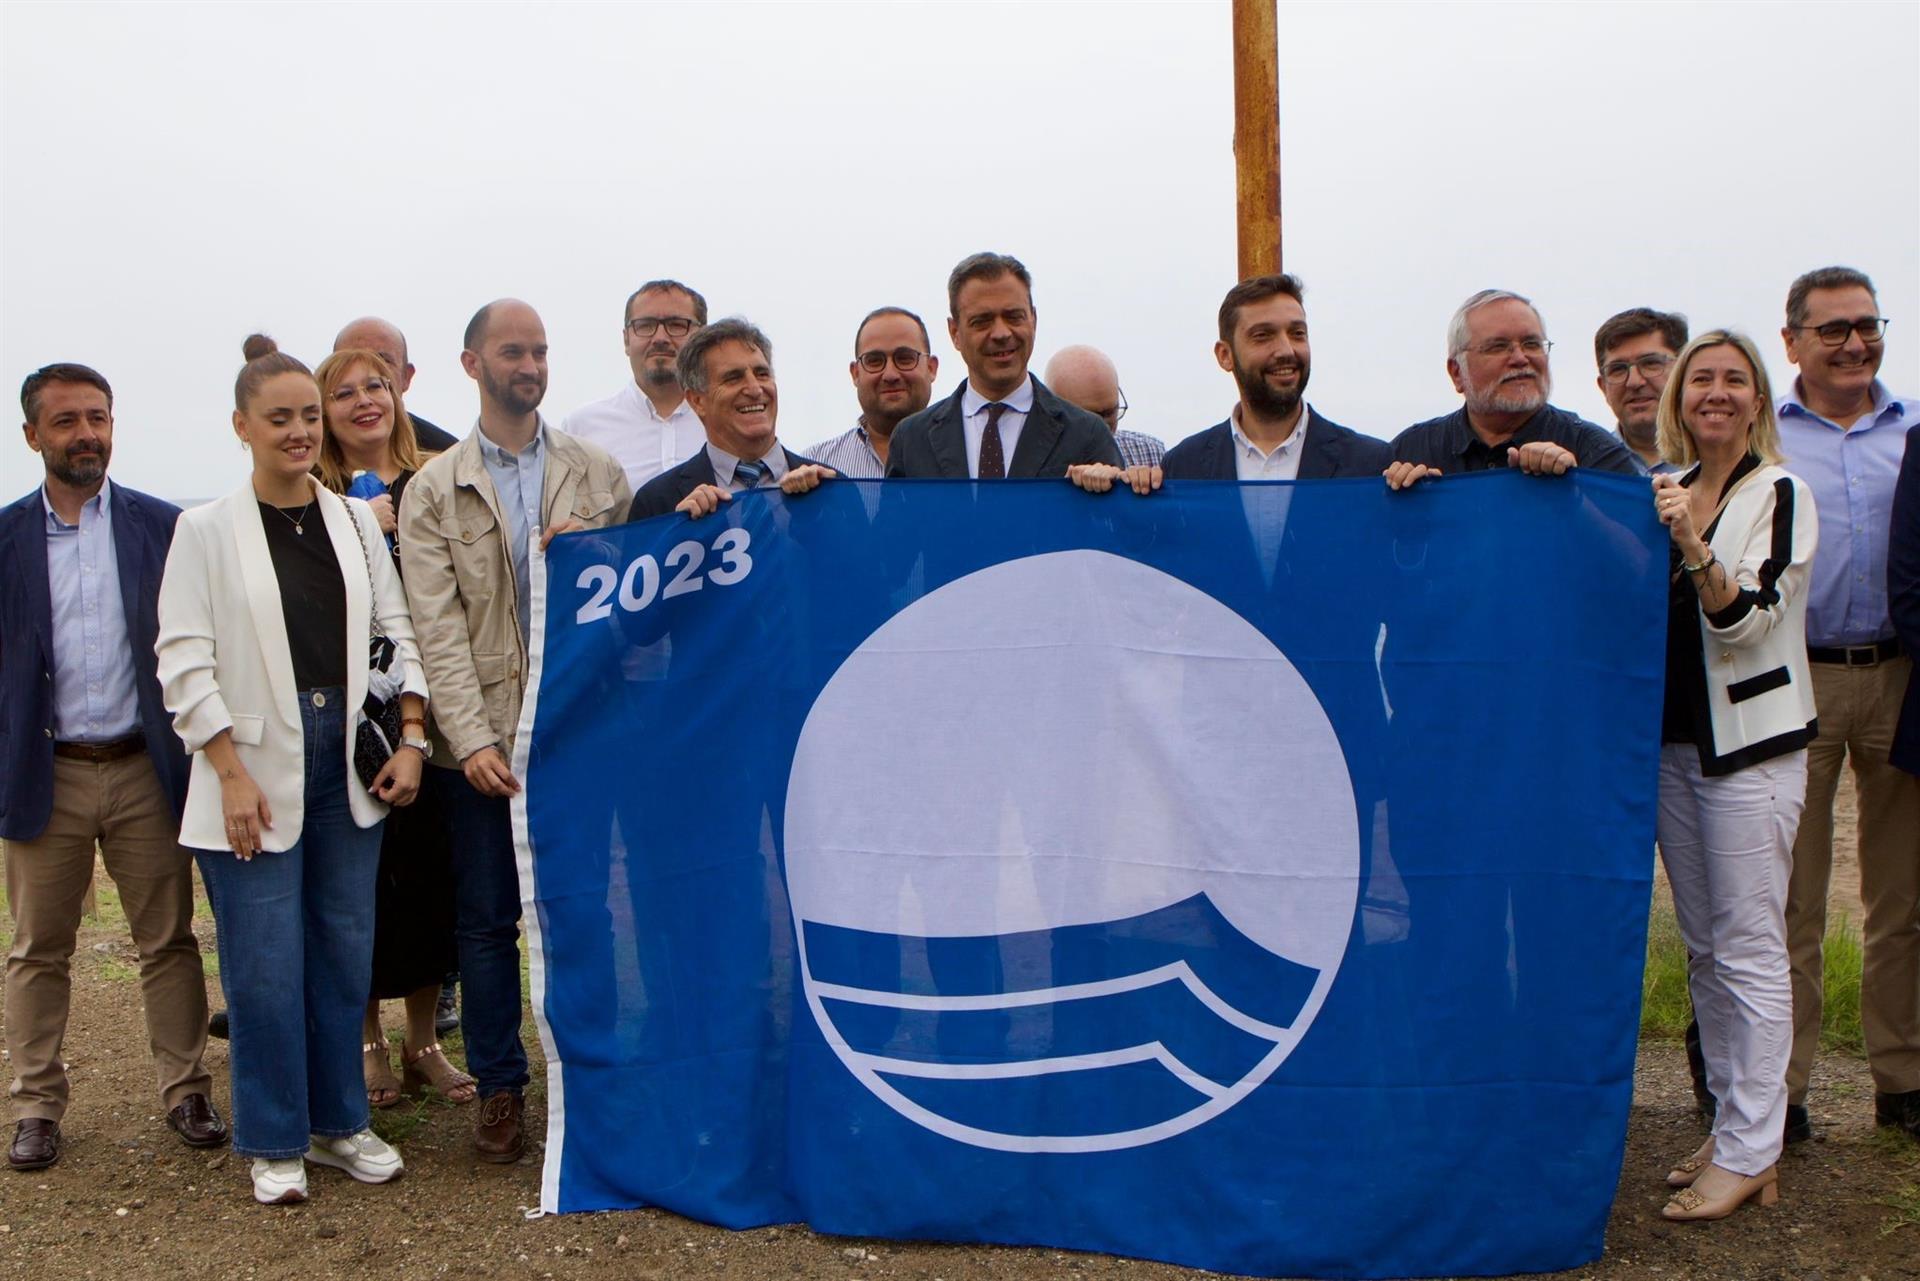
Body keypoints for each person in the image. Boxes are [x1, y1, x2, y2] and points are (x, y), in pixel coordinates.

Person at [156, 336, 430, 1205]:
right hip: (250, 764)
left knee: (344, 951)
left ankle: (339, 1122)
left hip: (346, 761)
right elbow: (183, 661)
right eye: (280, 418)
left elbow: (398, 630)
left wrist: (414, 734)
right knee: (264, 963)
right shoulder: (202, 530)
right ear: (242, 426)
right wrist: (229, 771)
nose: (300, 432)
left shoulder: (354, 519)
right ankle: (274, 1135)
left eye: (308, 416)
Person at [398, 300, 630, 1163]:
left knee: (589, 913)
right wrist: (474, 737)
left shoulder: (597, 473)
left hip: (579, 737)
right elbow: (436, 626)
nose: (529, 364)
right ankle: (500, 1087)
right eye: (512, 351)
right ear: (472, 363)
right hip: (480, 750)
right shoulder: (434, 487)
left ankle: (599, 1078)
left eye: (539, 350)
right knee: (488, 925)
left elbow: (627, 610)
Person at [2, 364, 223, 1172]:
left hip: (143, 764)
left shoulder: (163, 527)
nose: (85, 432)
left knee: (168, 939)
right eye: (65, 421)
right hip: (44, 769)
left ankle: (187, 1088)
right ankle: (34, 1104)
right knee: (37, 947)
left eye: (97, 416)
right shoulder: (5, 538)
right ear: (33, 435)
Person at [1648, 330, 1818, 1221]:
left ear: (1759, 399)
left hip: (1752, 751)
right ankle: (1729, 1123)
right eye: (1701, 379)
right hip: (1677, 747)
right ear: (1680, 396)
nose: (1716, 393)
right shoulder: (1667, 485)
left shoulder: (1780, 492)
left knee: (1752, 947)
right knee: (1707, 949)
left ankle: (1758, 1147)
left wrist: (1691, 543)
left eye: (1734, 381)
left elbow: (1745, 622)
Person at [1774, 266, 1920, 1144]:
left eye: (1867, 324)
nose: (1854, 342)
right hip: (1801, 679)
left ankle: (1901, 1077)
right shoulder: (1770, 433)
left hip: (1901, 676)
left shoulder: (1913, 432)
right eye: (1833, 329)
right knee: (1793, 896)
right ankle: (1782, 1091)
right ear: (1793, 340)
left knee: (1901, 896)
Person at [313, 348, 474, 1110]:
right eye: (341, 393)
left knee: (430, 879)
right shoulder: (310, 491)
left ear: (398, 394)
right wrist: (353, 523)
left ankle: (425, 1039)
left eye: (374, 386)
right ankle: (368, 1038)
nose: (362, 402)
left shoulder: (435, 478)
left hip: (433, 712)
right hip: (348, 715)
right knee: (360, 881)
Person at [885, 253, 1134, 488]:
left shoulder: (1086, 434)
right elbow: (892, 532)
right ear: (955, 333)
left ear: (1033, 320)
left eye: (1014, 317)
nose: (1002, 333)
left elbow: (1111, 529)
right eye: (982, 321)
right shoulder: (911, 440)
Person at [1385, 289, 1637, 489]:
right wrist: (1405, 506)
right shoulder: (1413, 451)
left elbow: (1638, 548)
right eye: (1498, 347)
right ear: (1456, 372)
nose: (1520, 358)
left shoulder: (1593, 452)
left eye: (1531, 343)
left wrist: (1577, 490)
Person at [1162, 274, 1390, 480]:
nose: (1286, 350)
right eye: (1263, 336)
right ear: (1225, 355)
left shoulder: (1371, 466)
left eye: (1297, 334)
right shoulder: (1182, 469)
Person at [629, 318, 836, 522]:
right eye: (733, 378)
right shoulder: (656, 503)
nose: (755, 389)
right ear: (697, 401)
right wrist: (679, 535)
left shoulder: (832, 489)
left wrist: (828, 514)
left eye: (762, 374)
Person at [563, 279, 712, 491]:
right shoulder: (582, 429)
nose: (660, 338)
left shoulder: (726, 421)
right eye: (645, 326)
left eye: (676, 325)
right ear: (626, 340)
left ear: (702, 337)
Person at [805, 307, 941, 478]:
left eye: (905, 358)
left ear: (931, 368)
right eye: (875, 361)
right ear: (855, 373)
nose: (890, 375)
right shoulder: (814, 465)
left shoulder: (968, 454)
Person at [334, 317, 459, 451]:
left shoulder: (444, 454)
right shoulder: (312, 450)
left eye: (382, 360)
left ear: (406, 376)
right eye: (351, 361)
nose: (368, 372)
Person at [1594, 307, 1688, 476]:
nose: (1634, 382)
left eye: (1650, 363)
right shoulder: (1587, 466)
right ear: (1603, 387)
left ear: (1684, 372)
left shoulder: (1726, 466)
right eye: (1618, 369)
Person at [1043, 345, 1164, 468]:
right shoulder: (1032, 464)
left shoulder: (1150, 454)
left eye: (1109, 413)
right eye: (1089, 418)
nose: (1102, 427)